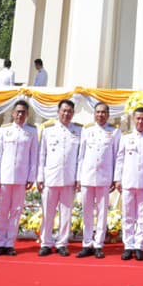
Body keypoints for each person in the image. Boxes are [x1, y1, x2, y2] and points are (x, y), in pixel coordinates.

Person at [0, 100, 39, 255]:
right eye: (17, 112)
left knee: (16, 211)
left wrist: (31, 177)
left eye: (23, 112)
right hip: (5, 176)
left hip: (21, 177)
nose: (20, 115)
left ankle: (10, 243)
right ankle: (0, 243)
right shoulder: (5, 130)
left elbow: (34, 156)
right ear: (12, 113)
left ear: (27, 115)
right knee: (3, 211)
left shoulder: (31, 131)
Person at [36, 98, 82, 256]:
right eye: (64, 111)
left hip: (69, 178)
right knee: (48, 212)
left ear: (73, 113)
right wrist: (40, 177)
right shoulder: (48, 130)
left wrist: (78, 178)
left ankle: (62, 243)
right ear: (58, 112)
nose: (66, 114)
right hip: (50, 178)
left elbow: (80, 157)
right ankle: (46, 242)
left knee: (66, 214)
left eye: (69, 111)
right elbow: (42, 155)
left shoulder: (78, 131)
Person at [115, 107, 143, 260]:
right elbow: (120, 159)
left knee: (142, 216)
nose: (140, 121)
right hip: (128, 181)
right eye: (138, 118)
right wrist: (117, 179)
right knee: (128, 215)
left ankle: (139, 245)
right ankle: (128, 245)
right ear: (134, 119)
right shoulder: (126, 137)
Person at [77, 102, 120, 258]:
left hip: (104, 177)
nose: (101, 115)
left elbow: (117, 157)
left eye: (104, 112)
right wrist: (78, 177)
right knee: (87, 212)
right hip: (87, 176)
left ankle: (99, 244)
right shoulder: (87, 130)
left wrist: (115, 178)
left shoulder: (114, 132)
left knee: (102, 213)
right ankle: (87, 243)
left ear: (108, 115)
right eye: (98, 112)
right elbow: (81, 156)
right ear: (94, 114)